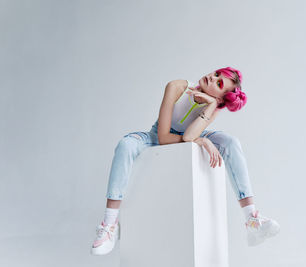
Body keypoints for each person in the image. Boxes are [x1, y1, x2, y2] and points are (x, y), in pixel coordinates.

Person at [90, 67, 280, 256]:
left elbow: (190, 134)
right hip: (157, 136)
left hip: (192, 133)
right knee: (125, 145)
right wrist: (200, 140)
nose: (212, 78)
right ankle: (109, 223)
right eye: (216, 74)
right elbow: (164, 137)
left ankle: (251, 220)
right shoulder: (177, 87)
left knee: (231, 143)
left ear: (221, 99)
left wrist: (209, 110)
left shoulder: (213, 106)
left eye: (219, 83)